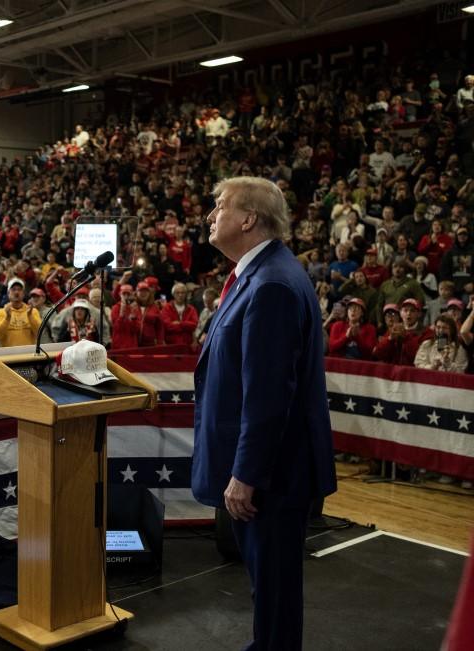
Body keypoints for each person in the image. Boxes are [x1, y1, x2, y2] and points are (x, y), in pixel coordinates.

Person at [192, 177, 336, 651]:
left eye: (219, 206)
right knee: (269, 590)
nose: (211, 215)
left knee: (275, 592)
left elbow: (269, 396)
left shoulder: (271, 284)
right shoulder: (261, 274)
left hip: (271, 475)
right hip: (271, 469)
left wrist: (245, 474)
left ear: (248, 219)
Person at [0, 278, 41, 347]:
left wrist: (30, 316)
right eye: (13, 289)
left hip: (28, 355)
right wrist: (7, 318)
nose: (16, 292)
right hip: (8, 355)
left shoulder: (32, 311)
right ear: (8, 294)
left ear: (23, 294)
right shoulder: (1, 313)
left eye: (19, 289)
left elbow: (39, 333)